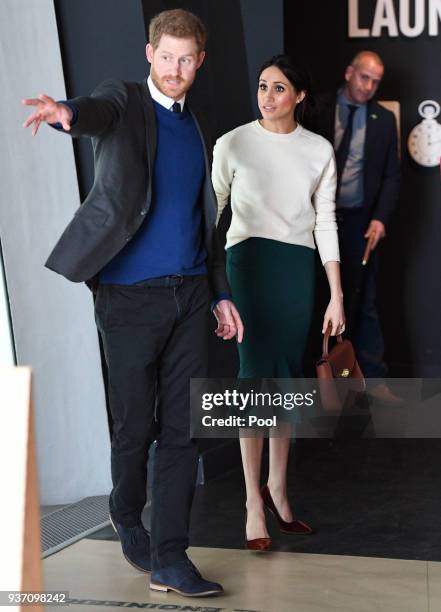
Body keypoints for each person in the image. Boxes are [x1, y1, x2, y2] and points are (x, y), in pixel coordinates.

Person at [22, 8, 243, 598]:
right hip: (127, 298)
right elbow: (95, 113)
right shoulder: (122, 100)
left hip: (192, 294)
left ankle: (171, 556)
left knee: (182, 429)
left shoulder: (199, 126)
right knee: (133, 426)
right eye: (166, 57)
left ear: (199, 62)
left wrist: (219, 293)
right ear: (150, 55)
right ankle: (126, 513)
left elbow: (208, 222)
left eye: (186, 59)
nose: (175, 69)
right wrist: (67, 113)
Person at [212, 55, 344, 549]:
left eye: (279, 89)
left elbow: (325, 222)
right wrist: (215, 291)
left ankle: (278, 488)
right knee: (253, 382)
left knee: (286, 379)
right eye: (263, 87)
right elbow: (213, 216)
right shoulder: (232, 143)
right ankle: (252, 502)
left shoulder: (318, 150)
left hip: (296, 269)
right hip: (246, 266)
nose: (267, 97)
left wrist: (336, 295)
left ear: (300, 96)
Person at [308, 51, 401, 404]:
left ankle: (373, 380)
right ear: (349, 72)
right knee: (317, 299)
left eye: (376, 82)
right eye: (364, 78)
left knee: (365, 301)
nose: (369, 87)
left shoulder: (381, 119)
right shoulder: (319, 108)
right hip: (317, 220)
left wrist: (380, 219)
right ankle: (320, 381)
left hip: (360, 223)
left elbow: (392, 175)